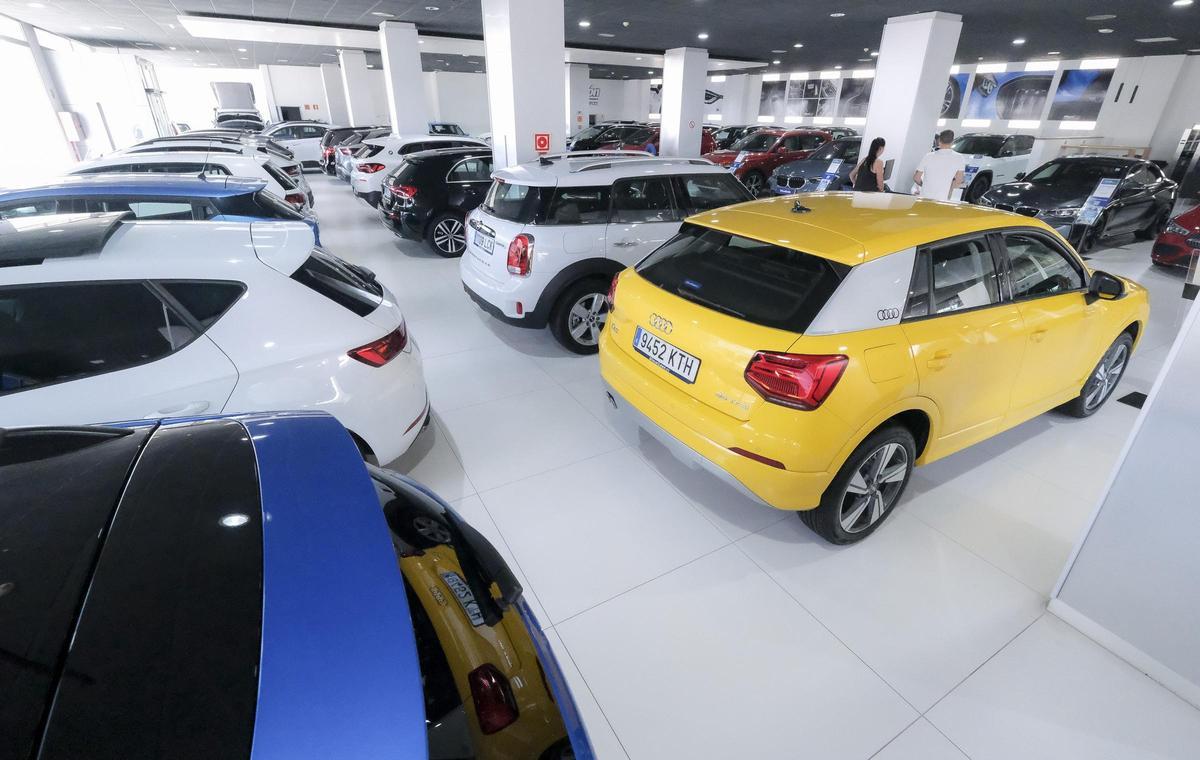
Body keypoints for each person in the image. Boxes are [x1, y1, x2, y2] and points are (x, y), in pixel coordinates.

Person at [914, 129, 966, 201]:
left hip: (925, 198)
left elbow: (916, 178)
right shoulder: (959, 158)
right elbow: (959, 180)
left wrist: (923, 185)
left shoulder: (928, 156)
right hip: (943, 199)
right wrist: (949, 190)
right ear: (952, 142)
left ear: (939, 141)